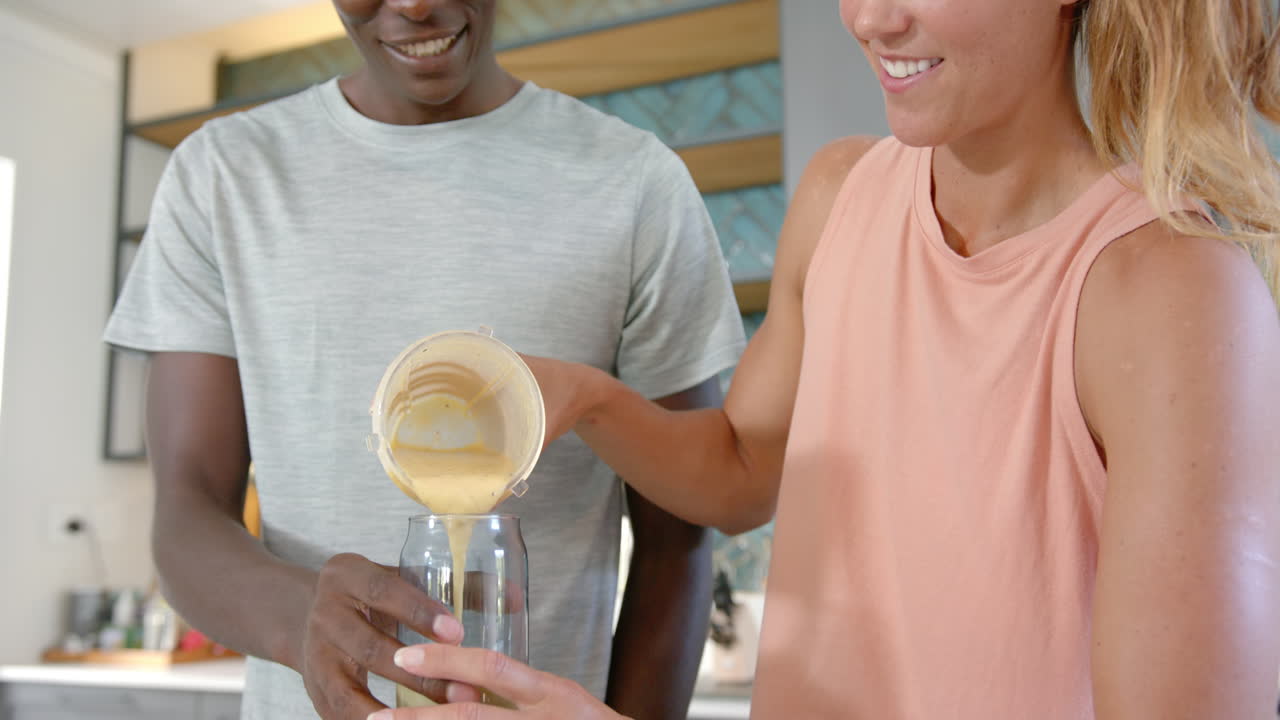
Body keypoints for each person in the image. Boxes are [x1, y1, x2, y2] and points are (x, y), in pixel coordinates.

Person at [379, 0, 1280, 718]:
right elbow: (740, 472)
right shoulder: (842, 193)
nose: (870, 19)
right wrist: (581, 398)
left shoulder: (1173, 289)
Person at [103, 1, 747, 719]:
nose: (412, 4)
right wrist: (301, 616)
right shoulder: (222, 175)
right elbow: (185, 514)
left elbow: (677, 540)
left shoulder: (635, 184)